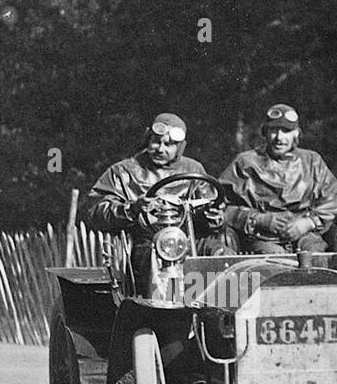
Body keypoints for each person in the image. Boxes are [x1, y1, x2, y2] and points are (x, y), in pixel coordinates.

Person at [85, 113, 235, 293]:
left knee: (224, 257)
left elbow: (212, 216)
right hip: (146, 243)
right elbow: (97, 212)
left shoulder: (194, 170)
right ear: (148, 139)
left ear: (180, 147)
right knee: (154, 262)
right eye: (156, 141)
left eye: (169, 144)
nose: (160, 149)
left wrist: (212, 215)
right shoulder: (124, 171)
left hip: (190, 242)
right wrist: (132, 209)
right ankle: (160, 314)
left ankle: (226, 313)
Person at [218, 104, 337, 254]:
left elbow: (334, 199)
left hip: (306, 236)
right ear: (265, 133)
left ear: (296, 134)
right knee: (272, 266)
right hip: (263, 239)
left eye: (286, 131)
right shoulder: (245, 163)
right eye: (274, 130)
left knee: (317, 260)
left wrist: (307, 223)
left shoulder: (312, 161)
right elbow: (219, 206)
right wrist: (259, 220)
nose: (279, 137)